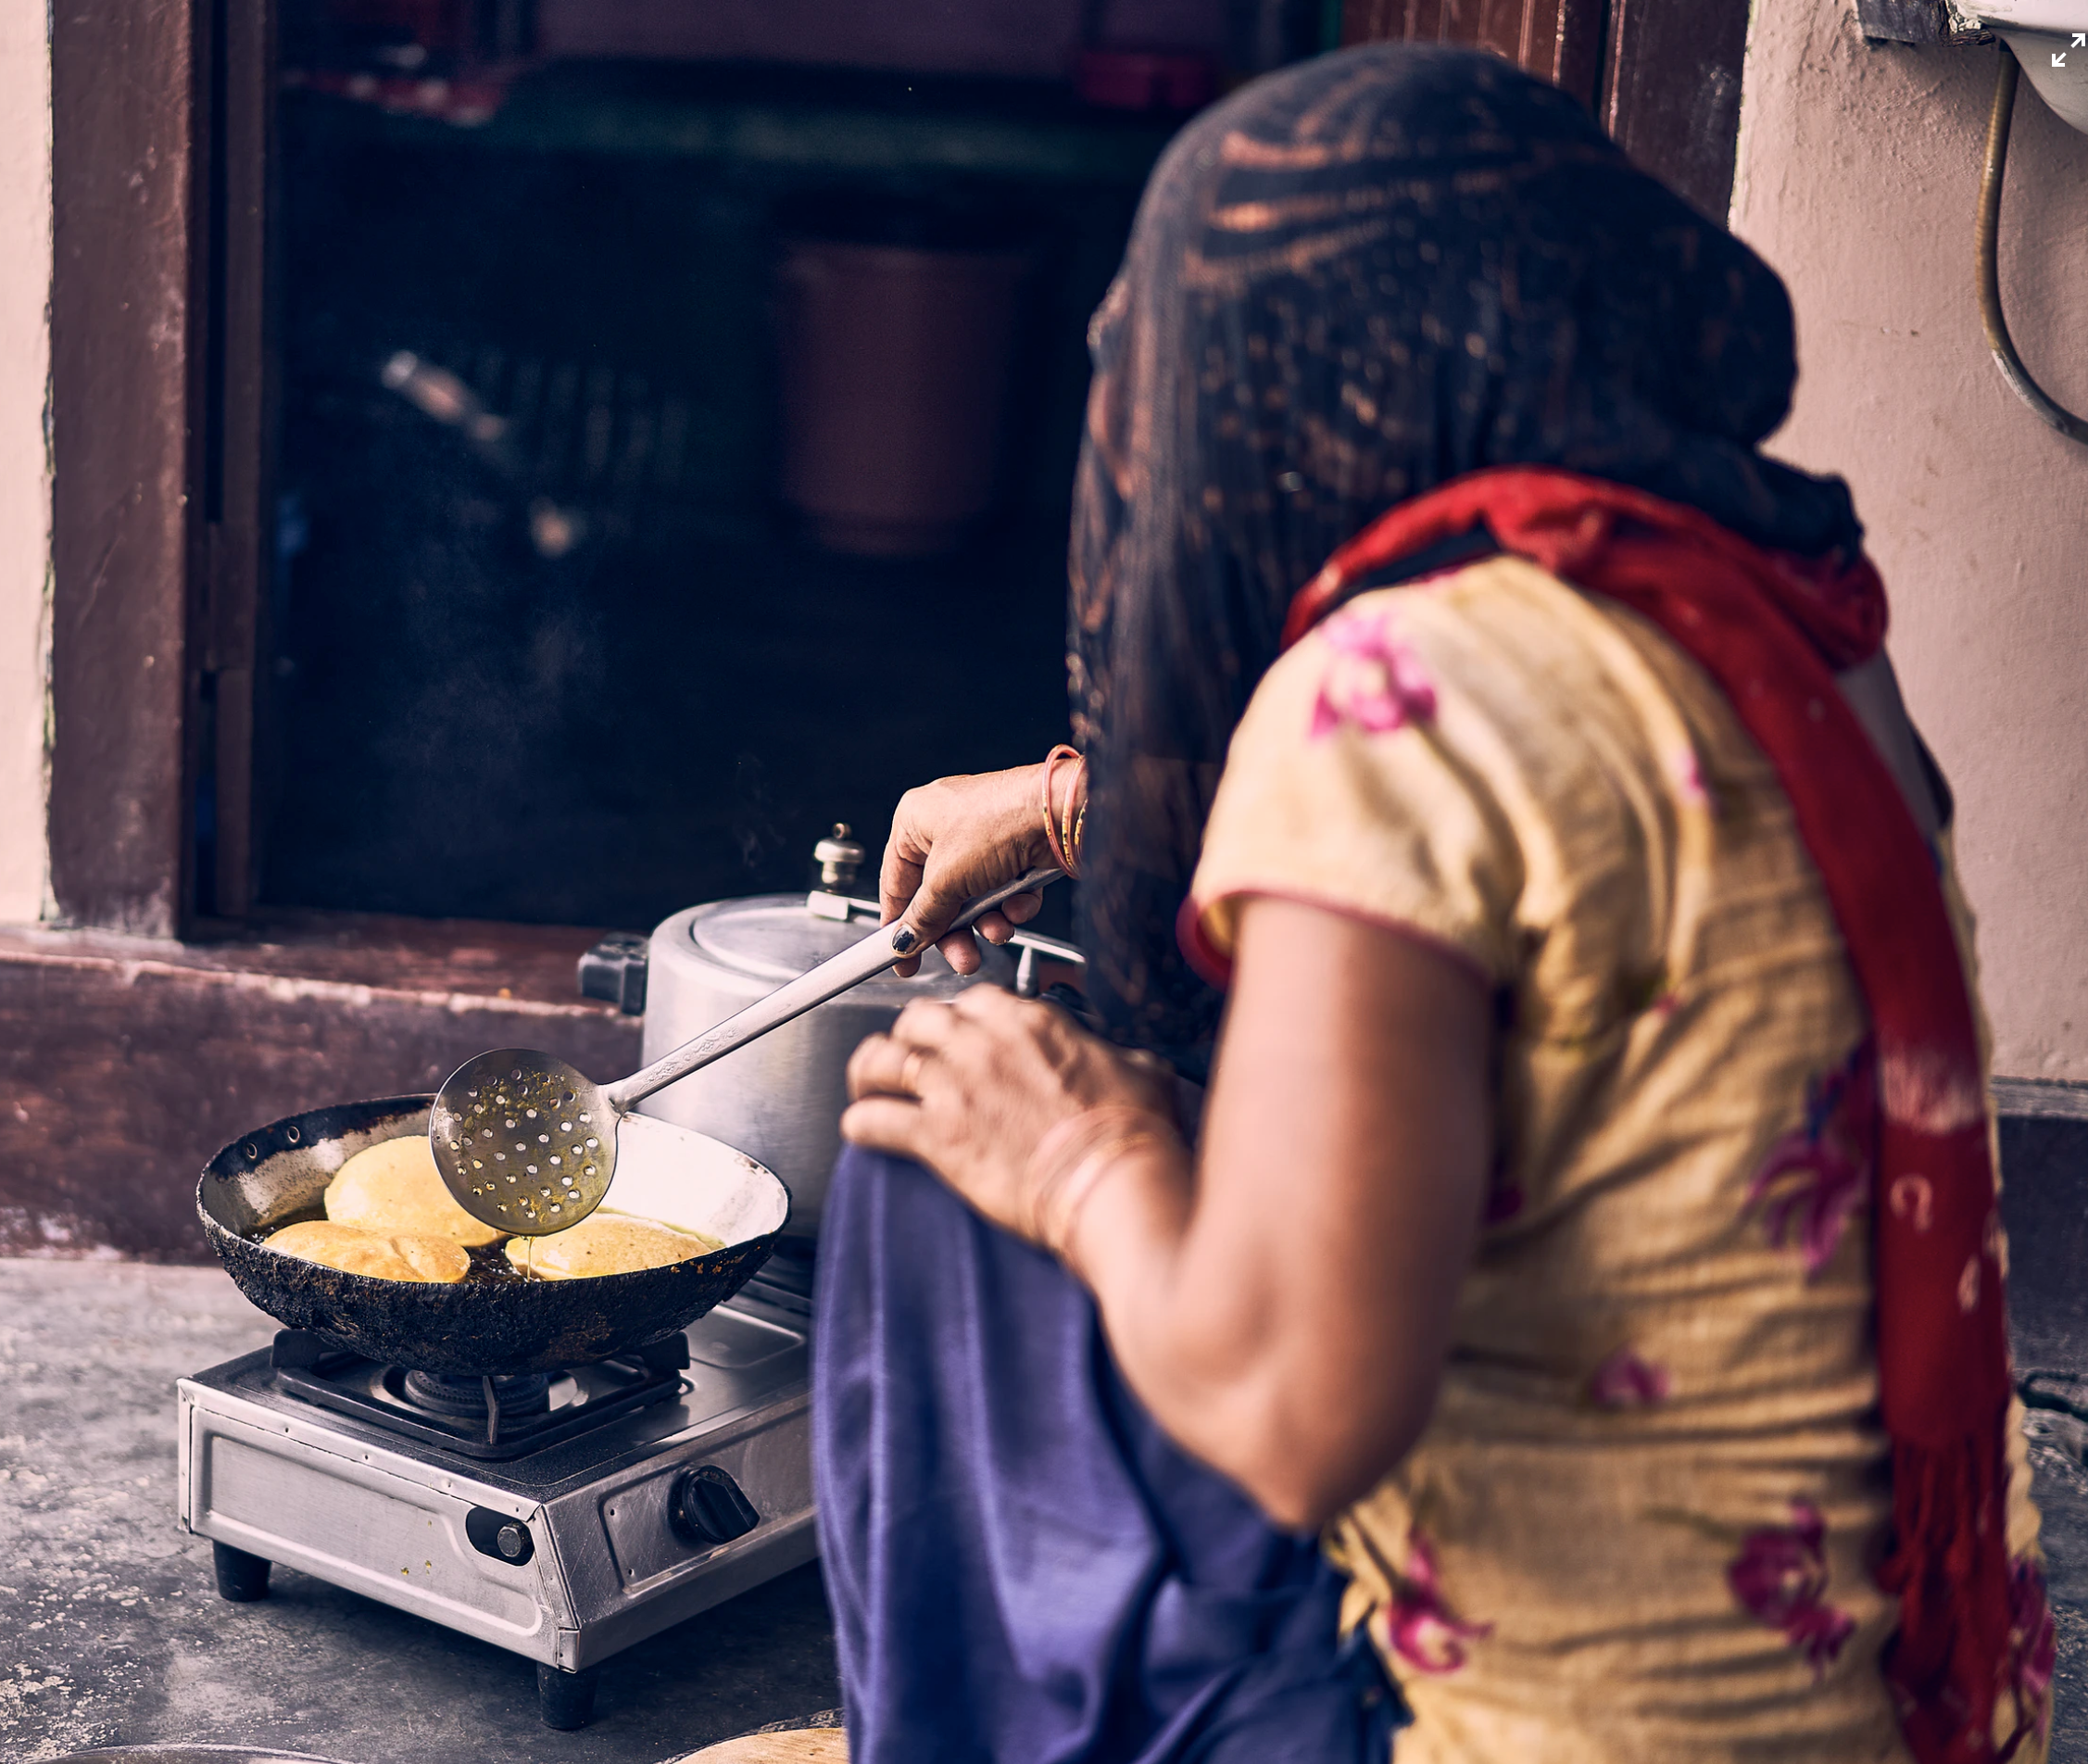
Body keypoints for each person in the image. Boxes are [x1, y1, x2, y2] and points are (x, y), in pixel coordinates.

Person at [808, 44, 2053, 1764]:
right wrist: (1068, 805)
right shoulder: (1785, 625)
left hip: (1527, 1728)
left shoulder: (1389, 696)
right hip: (1885, 1694)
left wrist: (1080, 1160)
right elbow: (1579, 862)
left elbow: (1302, 1420)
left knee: (933, 1160)